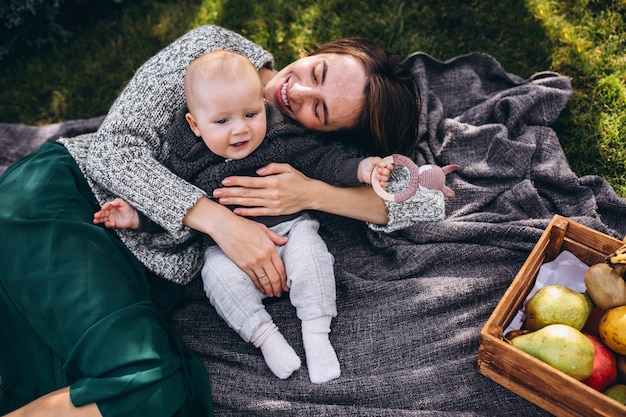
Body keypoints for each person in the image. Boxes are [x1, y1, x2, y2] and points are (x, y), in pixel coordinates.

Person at [0, 25, 419, 416]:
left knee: (157, 399)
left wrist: (313, 193)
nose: (297, 90)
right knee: (146, 388)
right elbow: (112, 151)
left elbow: (417, 204)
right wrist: (221, 223)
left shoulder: (301, 148)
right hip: (73, 202)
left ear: (330, 132)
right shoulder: (213, 51)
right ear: (318, 50)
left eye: (320, 110)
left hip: (133, 273)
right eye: (318, 70)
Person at [94, 49, 392, 383]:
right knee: (218, 278)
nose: (240, 131)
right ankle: (267, 338)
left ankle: (316, 333)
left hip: (290, 231)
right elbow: (168, 195)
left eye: (251, 114)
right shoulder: (189, 160)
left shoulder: (281, 139)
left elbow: (327, 162)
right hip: (226, 252)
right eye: (222, 122)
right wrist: (135, 217)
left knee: (312, 257)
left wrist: (365, 169)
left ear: (263, 106)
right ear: (195, 125)